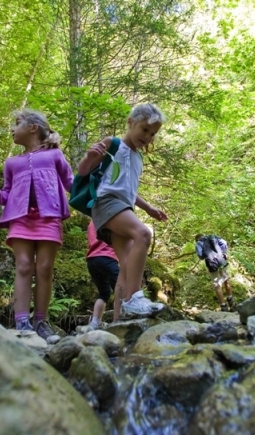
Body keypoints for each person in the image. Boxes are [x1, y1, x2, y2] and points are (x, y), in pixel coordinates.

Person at [0, 109, 73, 344]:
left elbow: (71, 183)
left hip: (49, 216)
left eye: (17, 124)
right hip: (20, 218)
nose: (12, 129)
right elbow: (7, 192)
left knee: (44, 268)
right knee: (23, 266)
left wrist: (96, 197)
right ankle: (21, 321)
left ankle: (41, 321)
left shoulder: (55, 155)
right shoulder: (12, 162)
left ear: (33, 128)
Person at [76, 103, 167, 322]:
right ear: (130, 123)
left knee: (125, 265)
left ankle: (119, 321)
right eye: (144, 129)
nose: (147, 136)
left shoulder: (138, 158)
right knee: (143, 234)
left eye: (152, 134)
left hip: (122, 206)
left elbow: (129, 191)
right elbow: (83, 171)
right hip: (106, 202)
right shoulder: (112, 144)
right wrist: (89, 156)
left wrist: (149, 208)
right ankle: (134, 299)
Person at [77, 220, 120, 333]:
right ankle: (118, 321)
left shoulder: (92, 222)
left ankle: (95, 322)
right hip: (108, 258)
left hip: (92, 260)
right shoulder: (109, 216)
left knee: (104, 293)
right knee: (120, 290)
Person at [195, 234, 234, 311]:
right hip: (221, 260)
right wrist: (223, 253)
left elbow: (200, 256)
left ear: (197, 240)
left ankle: (223, 306)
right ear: (203, 235)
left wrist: (206, 255)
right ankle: (231, 301)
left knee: (217, 285)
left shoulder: (198, 244)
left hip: (212, 264)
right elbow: (224, 243)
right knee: (226, 280)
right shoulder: (212, 237)